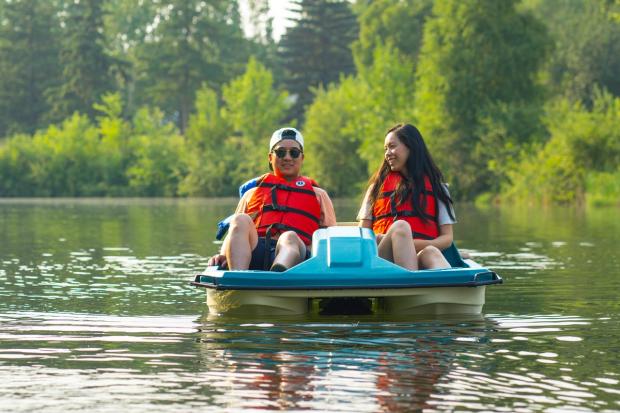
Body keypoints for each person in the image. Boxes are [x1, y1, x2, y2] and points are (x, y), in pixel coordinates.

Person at [207, 127, 337, 272]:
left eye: (294, 153)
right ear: (270, 157)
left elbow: (329, 237)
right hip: (258, 250)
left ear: (302, 158)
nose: (287, 157)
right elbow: (235, 232)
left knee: (289, 237)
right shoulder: (251, 194)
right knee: (240, 219)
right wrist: (222, 254)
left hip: (299, 259)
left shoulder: (319, 195)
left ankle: (277, 276)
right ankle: (238, 277)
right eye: (280, 152)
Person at [357, 123, 456, 270]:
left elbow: (447, 239)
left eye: (392, 146)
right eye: (385, 149)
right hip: (381, 261)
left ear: (411, 147)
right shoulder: (375, 189)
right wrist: (398, 240)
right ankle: (411, 284)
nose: (387, 153)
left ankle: (448, 289)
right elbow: (363, 236)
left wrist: (406, 245)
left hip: (418, 255)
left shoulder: (438, 188)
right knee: (401, 227)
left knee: (431, 252)